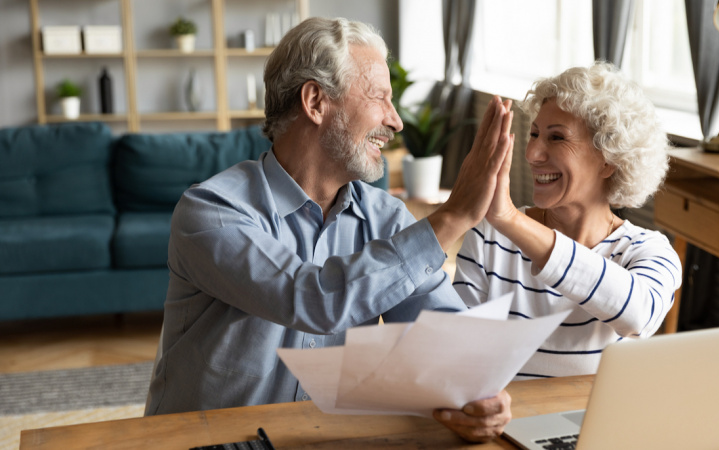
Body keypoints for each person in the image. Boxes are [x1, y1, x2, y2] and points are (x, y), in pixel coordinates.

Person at [145, 17, 514, 442]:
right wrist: (451, 218)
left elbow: (440, 331)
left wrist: (477, 390)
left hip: (317, 439)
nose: (395, 122)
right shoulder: (211, 211)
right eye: (380, 97)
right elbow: (312, 299)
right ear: (315, 101)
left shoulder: (385, 218)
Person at [454, 62, 682, 379]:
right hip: (505, 421)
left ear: (609, 160)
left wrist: (510, 220)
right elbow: (457, 352)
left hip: (598, 425)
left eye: (557, 138)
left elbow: (638, 315)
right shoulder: (491, 235)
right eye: (533, 134)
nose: (532, 153)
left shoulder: (648, 251)